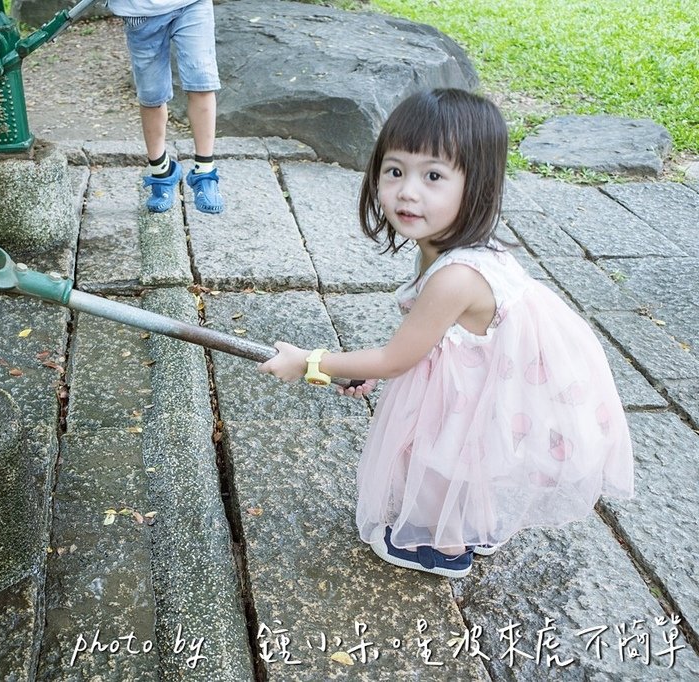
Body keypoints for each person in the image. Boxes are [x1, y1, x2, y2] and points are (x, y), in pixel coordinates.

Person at [258, 89, 634, 578]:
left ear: (475, 185)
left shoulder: (457, 274)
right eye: (394, 171)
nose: (407, 192)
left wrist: (310, 362)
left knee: (440, 455)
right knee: (454, 453)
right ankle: (466, 526)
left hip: (490, 380)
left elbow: (396, 359)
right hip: (483, 366)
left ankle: (446, 547)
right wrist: (356, 369)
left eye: (433, 176)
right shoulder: (442, 244)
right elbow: (419, 339)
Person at [108, 0, 224, 214]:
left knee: (202, 80)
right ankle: (161, 171)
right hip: (140, 12)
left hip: (192, 4)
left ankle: (204, 173)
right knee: (151, 95)